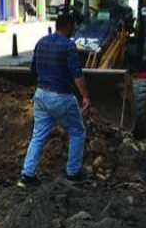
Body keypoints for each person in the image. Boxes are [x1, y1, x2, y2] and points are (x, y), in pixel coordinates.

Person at [19, 12, 93, 187]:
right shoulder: (68, 46)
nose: (74, 29)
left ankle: (27, 174)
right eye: (73, 26)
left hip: (41, 95)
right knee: (77, 131)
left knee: (38, 135)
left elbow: (33, 71)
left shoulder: (41, 42)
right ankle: (73, 172)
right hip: (61, 96)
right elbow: (77, 74)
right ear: (67, 26)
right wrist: (86, 97)